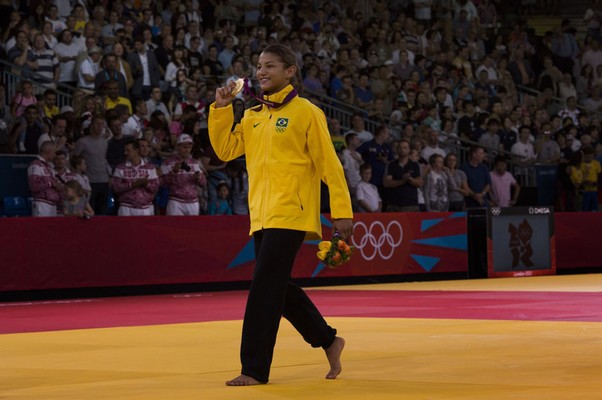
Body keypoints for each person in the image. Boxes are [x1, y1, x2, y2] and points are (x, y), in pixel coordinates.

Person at [208, 43, 352, 386]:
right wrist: (221, 109)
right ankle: (328, 339)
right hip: (261, 214)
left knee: (263, 289)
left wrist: (341, 211)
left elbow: (329, 164)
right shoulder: (252, 115)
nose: (261, 72)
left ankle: (254, 369)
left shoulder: (306, 112)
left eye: (270, 66)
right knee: (276, 286)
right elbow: (225, 150)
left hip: (293, 212)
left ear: (290, 71)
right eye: (259, 66)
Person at [111, 140, 160, 216]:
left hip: (146, 208)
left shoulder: (150, 167)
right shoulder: (120, 167)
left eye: (128, 150)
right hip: (126, 207)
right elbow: (115, 187)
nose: (125, 153)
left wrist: (146, 184)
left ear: (136, 150)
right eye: (125, 150)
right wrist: (132, 185)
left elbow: (156, 188)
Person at [161, 134, 206, 216]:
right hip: (175, 201)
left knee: (192, 228)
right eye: (184, 147)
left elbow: (203, 183)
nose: (187, 150)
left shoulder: (195, 163)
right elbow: (162, 183)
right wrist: (173, 172)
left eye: (189, 147)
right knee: (174, 228)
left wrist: (198, 179)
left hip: (193, 201)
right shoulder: (167, 163)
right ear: (178, 147)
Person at [383, 139, 423, 212]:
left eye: (405, 148)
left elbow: (420, 183)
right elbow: (387, 183)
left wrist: (410, 179)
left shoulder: (415, 165)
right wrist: (403, 180)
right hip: (394, 205)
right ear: (397, 150)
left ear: (409, 150)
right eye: (400, 148)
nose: (402, 150)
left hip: (411, 205)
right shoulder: (391, 165)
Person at [28, 141, 62, 216]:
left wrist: (58, 186)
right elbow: (33, 186)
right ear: (49, 151)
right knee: (41, 227)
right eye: (54, 152)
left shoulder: (49, 167)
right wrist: (51, 183)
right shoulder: (36, 165)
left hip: (52, 204)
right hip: (42, 204)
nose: (55, 155)